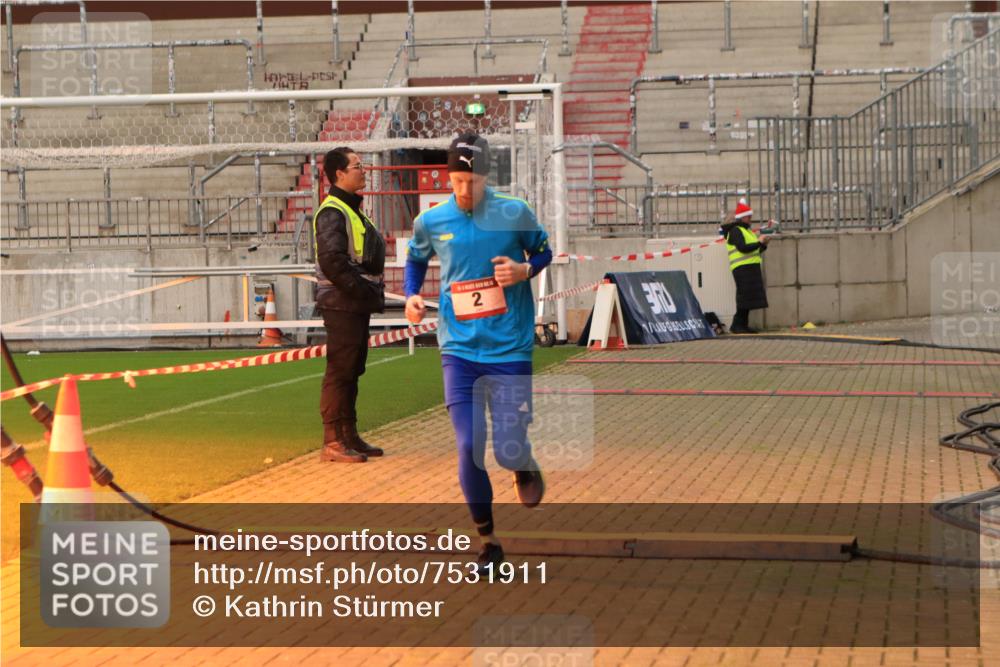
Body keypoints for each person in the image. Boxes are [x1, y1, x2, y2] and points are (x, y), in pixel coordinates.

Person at [403, 133, 552, 574]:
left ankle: (521, 463)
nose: (465, 191)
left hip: (509, 347)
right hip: (460, 349)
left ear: (486, 177)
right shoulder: (433, 220)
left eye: (473, 181)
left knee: (506, 448)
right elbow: (416, 259)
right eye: (457, 181)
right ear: (448, 177)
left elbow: (543, 250)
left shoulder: (513, 212)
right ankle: (487, 541)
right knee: (469, 446)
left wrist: (525, 269)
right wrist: (412, 295)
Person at [313, 147, 387, 463]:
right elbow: (332, 262)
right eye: (358, 166)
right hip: (342, 303)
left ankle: (349, 435)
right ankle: (333, 441)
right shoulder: (333, 212)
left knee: (352, 370)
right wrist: (361, 291)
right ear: (340, 173)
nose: (364, 170)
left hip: (352, 303)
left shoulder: (350, 209)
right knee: (340, 372)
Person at [721, 198, 770, 334]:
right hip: (742, 268)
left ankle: (742, 325)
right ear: (742, 217)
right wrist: (759, 242)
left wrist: (763, 245)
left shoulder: (746, 231)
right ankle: (737, 325)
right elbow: (743, 248)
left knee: (747, 298)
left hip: (749, 268)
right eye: (748, 216)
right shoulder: (736, 231)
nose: (750, 219)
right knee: (744, 297)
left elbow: (754, 250)